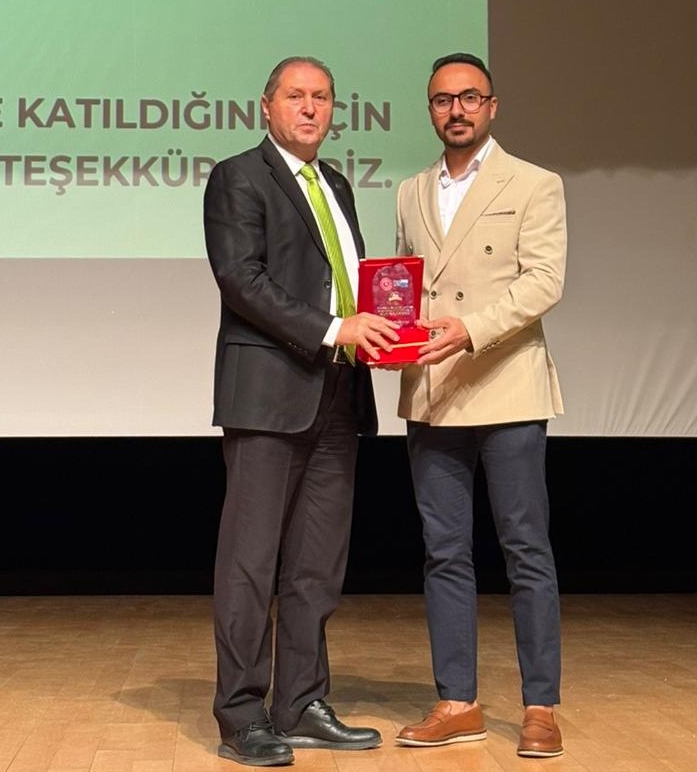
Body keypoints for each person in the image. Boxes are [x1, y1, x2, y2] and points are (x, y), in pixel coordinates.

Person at [203, 56, 399, 766]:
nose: (310, 108)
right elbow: (241, 278)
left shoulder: (336, 184)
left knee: (318, 564)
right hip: (268, 395)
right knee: (250, 563)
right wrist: (335, 328)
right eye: (296, 96)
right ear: (266, 106)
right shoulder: (239, 176)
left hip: (339, 395)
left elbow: (346, 285)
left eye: (322, 97)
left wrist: (384, 331)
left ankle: (301, 703)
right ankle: (242, 713)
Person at [393, 52, 567, 759]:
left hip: (506, 385)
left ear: (492, 106)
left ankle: (541, 705)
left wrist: (470, 330)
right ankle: (457, 701)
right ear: (430, 110)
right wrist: (392, 334)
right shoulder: (409, 191)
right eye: (443, 100)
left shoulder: (535, 183)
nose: (456, 110)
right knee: (444, 551)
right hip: (433, 393)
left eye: (469, 97)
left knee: (525, 548)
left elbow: (544, 282)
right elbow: (406, 286)